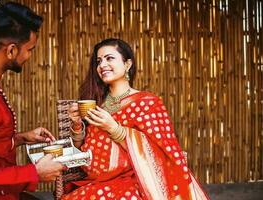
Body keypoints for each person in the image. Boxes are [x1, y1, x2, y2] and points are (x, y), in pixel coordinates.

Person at [65, 38, 209, 199]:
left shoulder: (147, 103)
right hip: (93, 181)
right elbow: (79, 151)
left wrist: (115, 129)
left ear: (128, 64)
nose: (102, 65)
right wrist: (77, 125)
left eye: (109, 58)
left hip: (134, 181)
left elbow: (163, 152)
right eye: (98, 61)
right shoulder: (95, 102)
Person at [0, 2, 65, 199]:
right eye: (30, 49)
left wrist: (18, 139)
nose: (29, 56)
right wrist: (33, 174)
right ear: (11, 51)